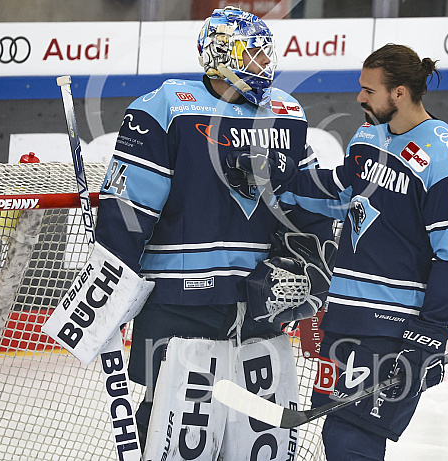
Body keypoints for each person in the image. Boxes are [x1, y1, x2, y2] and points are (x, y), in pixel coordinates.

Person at [94, 6, 334, 460]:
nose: (265, 65)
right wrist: (111, 280)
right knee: (174, 426)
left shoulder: (285, 112)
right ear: (220, 55)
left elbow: (305, 204)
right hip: (178, 305)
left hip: (260, 302)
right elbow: (129, 211)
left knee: (256, 437)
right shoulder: (166, 108)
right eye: (253, 54)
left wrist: (315, 264)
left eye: (267, 54)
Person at [229, 43, 448, 460]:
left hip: (393, 326)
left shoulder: (446, 158)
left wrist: (431, 336)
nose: (360, 97)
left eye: (369, 89)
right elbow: (340, 191)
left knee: (353, 440)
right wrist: (278, 178)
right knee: (340, 435)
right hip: (347, 312)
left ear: (399, 92)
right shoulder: (369, 135)